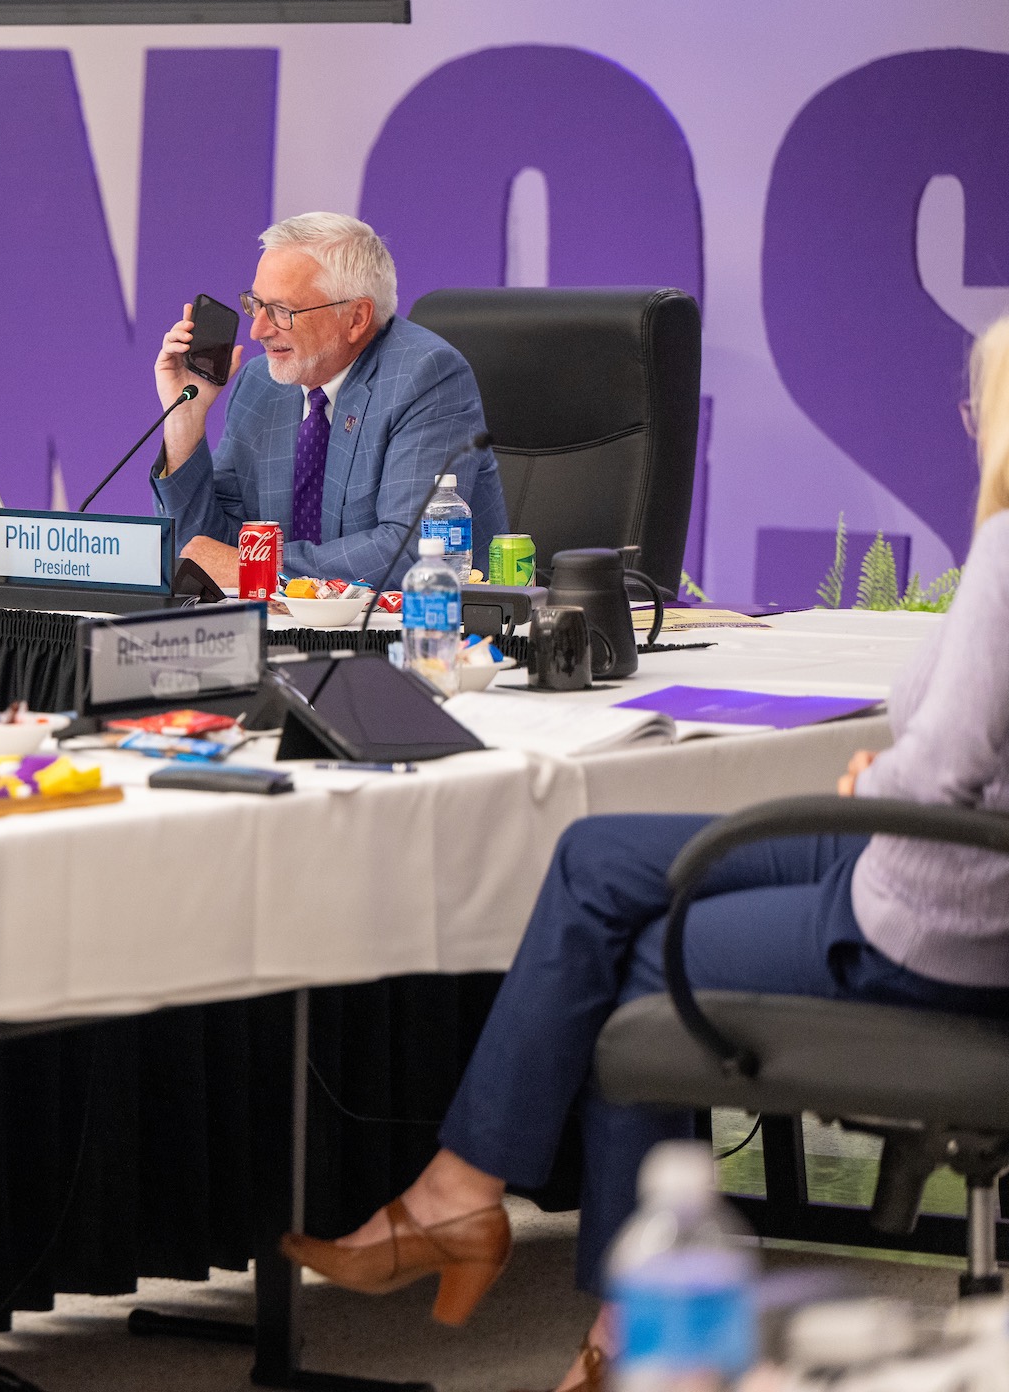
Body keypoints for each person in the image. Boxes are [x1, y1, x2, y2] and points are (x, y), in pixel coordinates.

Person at [282, 321, 1009, 1392]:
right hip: (948, 872)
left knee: (637, 954)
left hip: (933, 911)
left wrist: (871, 791)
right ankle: (511, 1233)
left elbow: (944, 769)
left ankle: (539, 1258)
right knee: (597, 860)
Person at [152, 212, 507, 589]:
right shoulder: (260, 386)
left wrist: (255, 565)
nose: (258, 330)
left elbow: (413, 549)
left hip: (413, 633)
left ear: (356, 317)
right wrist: (184, 420)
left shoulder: (426, 376)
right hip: (282, 632)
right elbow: (205, 552)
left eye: (282, 311)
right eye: (256, 304)